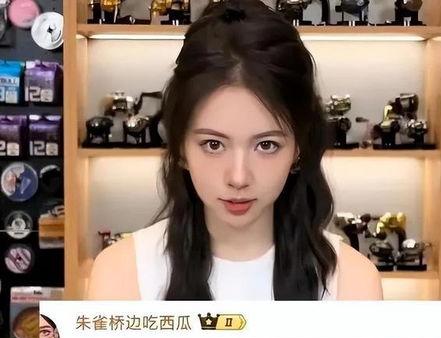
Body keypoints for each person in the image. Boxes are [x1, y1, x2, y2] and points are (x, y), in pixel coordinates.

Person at [87, 0, 382, 301]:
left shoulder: (353, 281)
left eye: (266, 145)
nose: (238, 178)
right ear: (181, 147)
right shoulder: (120, 273)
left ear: (298, 148)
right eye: (213, 145)